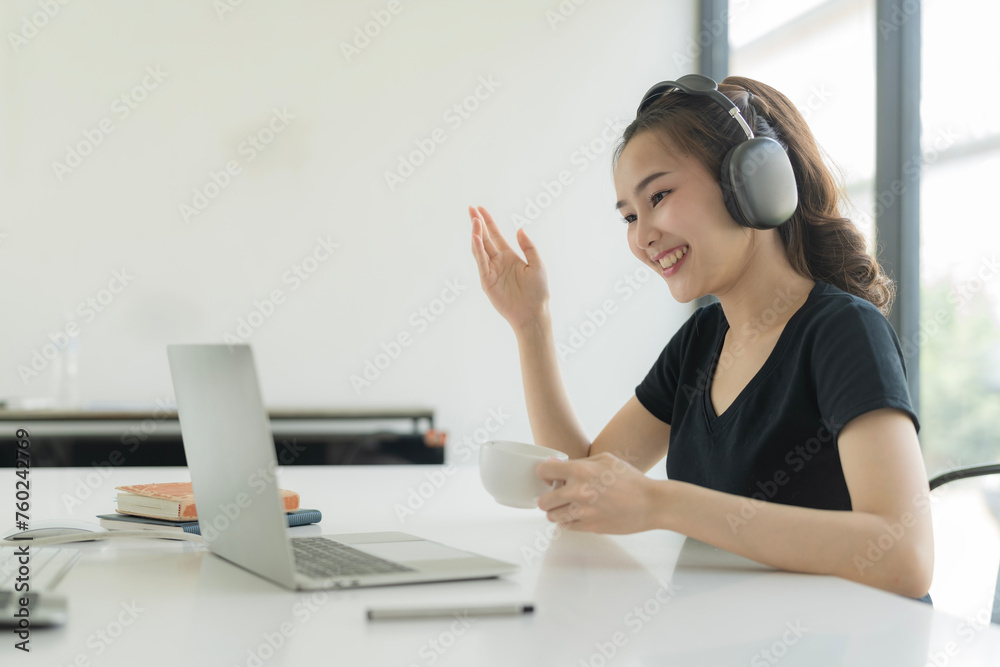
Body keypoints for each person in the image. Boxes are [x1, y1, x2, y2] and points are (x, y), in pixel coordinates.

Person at [467, 74, 933, 599]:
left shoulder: (843, 331)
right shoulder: (701, 342)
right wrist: (532, 324)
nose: (643, 237)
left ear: (748, 184)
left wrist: (661, 503)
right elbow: (584, 483)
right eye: (629, 217)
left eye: (659, 196)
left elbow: (904, 556)